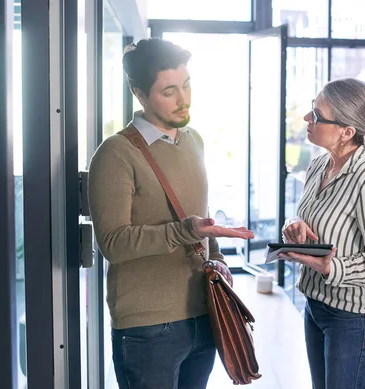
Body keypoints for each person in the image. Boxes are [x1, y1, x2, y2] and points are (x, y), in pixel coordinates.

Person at [88, 38, 254, 389]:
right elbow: (113, 243)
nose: (184, 100)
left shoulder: (193, 140)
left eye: (187, 85)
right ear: (139, 93)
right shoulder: (115, 153)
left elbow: (199, 212)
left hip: (204, 312)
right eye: (169, 91)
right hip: (149, 327)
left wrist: (219, 256)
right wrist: (185, 230)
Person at [280, 78, 365, 389]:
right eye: (310, 110)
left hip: (355, 318)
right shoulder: (319, 165)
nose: (307, 119)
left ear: (347, 132)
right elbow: (311, 217)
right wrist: (295, 225)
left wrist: (332, 266)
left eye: (316, 116)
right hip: (315, 305)